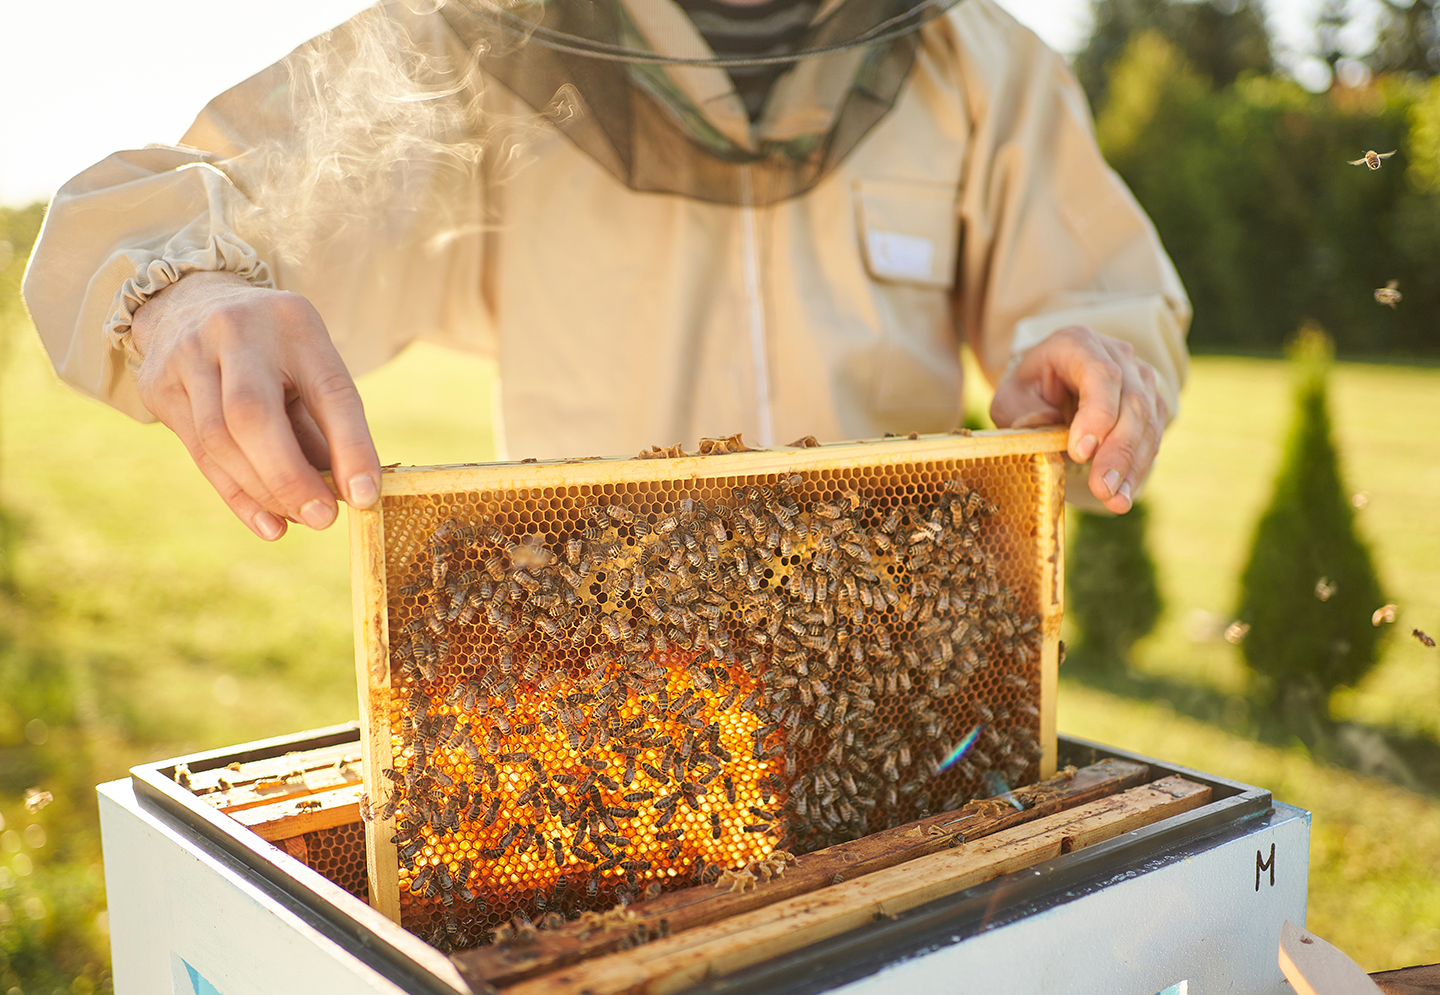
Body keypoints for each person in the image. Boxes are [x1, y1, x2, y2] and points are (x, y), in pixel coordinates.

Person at [22, 0, 1189, 543]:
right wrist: (189, 294)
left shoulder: (981, 62)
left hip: (902, 676)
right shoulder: (478, 45)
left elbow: (1099, 295)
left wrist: (1087, 376)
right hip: (601, 687)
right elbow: (159, 210)